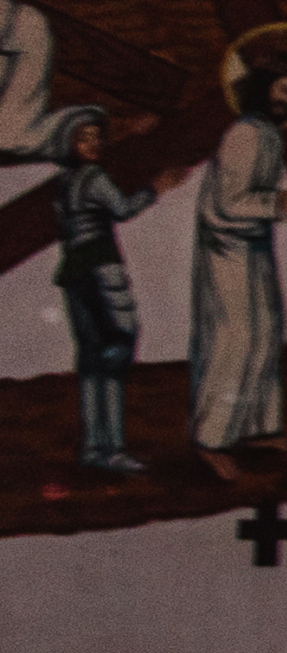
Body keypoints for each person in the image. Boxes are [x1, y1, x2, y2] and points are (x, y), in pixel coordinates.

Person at [192, 31, 287, 477]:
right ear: (263, 87)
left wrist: (285, 208)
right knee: (238, 337)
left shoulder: (269, 134)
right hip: (227, 246)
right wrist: (279, 204)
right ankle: (214, 439)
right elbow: (227, 204)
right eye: (282, 90)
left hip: (253, 244)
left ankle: (260, 427)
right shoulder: (245, 134)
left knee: (267, 331)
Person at [43, 102, 148, 480]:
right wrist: (156, 189)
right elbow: (122, 208)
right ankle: (113, 449)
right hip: (102, 268)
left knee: (89, 360)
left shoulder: (63, 185)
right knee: (117, 352)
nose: (92, 144)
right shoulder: (94, 178)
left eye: (95, 138)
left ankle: (91, 447)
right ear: (72, 144)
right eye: (83, 138)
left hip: (73, 272)